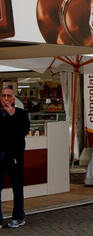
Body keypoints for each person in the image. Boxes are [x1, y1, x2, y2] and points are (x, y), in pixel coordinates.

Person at [0, 87, 30, 228]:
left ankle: (19, 217)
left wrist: (12, 115)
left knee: (17, 188)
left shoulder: (21, 114)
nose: (6, 99)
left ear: (13, 98)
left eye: (9, 96)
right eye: (3, 95)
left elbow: (23, 131)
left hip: (14, 156)